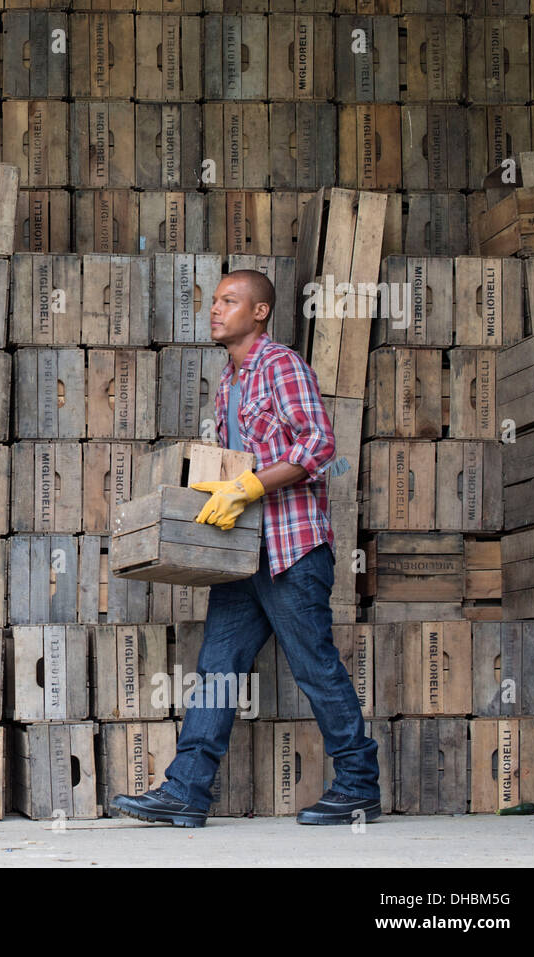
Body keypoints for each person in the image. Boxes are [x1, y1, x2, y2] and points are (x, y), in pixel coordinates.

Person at [108, 270, 381, 827]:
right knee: (217, 670)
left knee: (314, 669)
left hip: (291, 550)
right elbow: (240, 462)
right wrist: (220, 486)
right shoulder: (228, 383)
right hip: (241, 552)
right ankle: (186, 792)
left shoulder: (280, 365)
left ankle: (358, 787)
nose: (216, 310)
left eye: (229, 301)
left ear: (259, 312)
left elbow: (320, 443)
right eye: (214, 301)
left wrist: (252, 486)